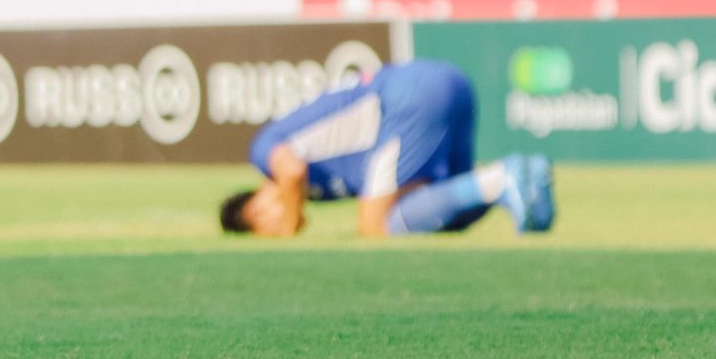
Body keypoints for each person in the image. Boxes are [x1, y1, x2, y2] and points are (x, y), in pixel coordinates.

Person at [217, 61, 556, 240]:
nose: (284, 224)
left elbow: (292, 172)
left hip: (405, 99)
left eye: (270, 227)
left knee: (374, 225)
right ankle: (523, 190)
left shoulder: (262, 149)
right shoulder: (320, 192)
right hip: (447, 81)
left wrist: (288, 228)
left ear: (256, 211)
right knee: (446, 215)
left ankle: (504, 177)